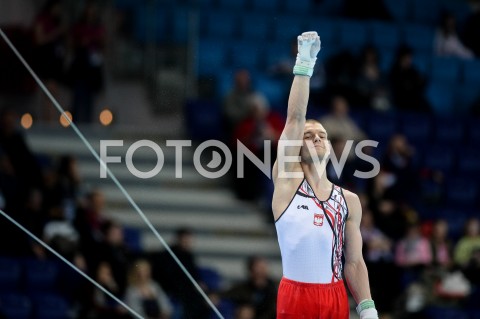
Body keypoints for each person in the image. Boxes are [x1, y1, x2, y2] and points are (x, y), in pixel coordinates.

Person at [271, 31, 378, 318]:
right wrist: (304, 65)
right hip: (296, 295)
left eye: (322, 135)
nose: (316, 138)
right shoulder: (287, 181)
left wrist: (367, 306)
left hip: (335, 295)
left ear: (330, 146)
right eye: (309, 135)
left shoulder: (350, 201)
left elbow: (354, 262)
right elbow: (294, 118)